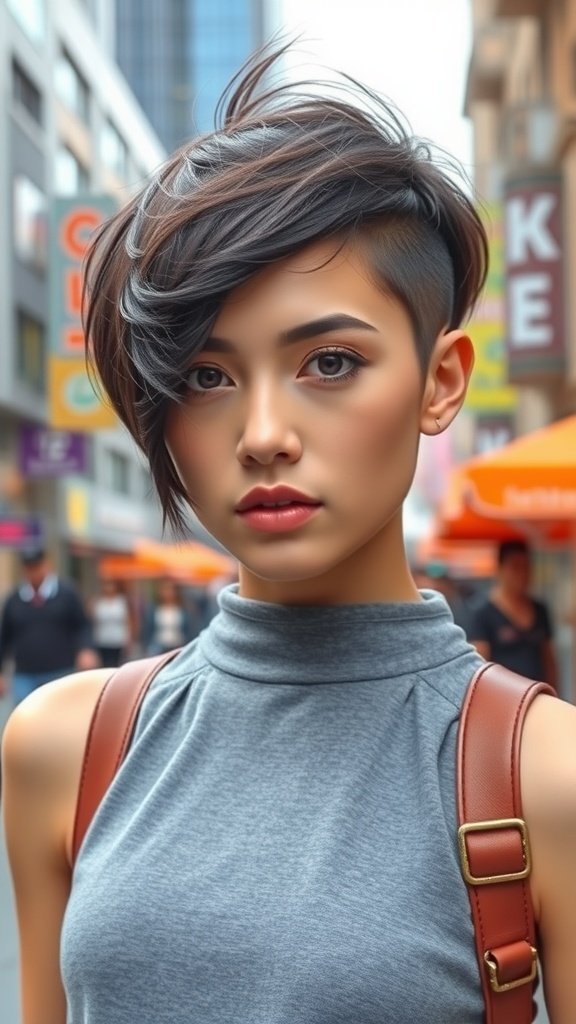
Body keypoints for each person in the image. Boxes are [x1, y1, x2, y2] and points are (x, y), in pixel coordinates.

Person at [2, 45, 576, 1024]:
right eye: (206, 377)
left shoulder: (540, 776)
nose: (264, 434)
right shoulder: (65, 746)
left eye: (331, 361)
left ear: (442, 382)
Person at [0, 547, 99, 705]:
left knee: (58, 718)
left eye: (37, 566)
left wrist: (86, 649)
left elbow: (82, 625)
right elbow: (4, 638)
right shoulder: (14, 600)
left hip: (60, 672)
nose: (33, 572)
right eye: (29, 567)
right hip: (24, 675)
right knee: (24, 722)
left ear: (46, 565)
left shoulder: (67, 594)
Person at [469, 539, 558, 690]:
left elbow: (548, 658)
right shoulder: (483, 612)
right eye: (515, 567)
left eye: (526, 567)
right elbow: (480, 665)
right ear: (500, 569)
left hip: (539, 695)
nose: (522, 574)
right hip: (504, 697)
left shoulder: (540, 609)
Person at [140, 578, 200, 655]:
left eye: (170, 590)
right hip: (158, 646)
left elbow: (188, 629)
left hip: (178, 645)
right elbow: (148, 629)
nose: (168, 593)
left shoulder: (182, 610)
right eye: (164, 589)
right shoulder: (154, 609)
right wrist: (146, 645)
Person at [90, 578, 132, 668]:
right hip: (102, 639)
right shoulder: (99, 602)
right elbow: (94, 621)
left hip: (118, 639)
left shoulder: (121, 602)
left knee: (116, 664)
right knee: (104, 664)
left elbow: (127, 621)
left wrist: (128, 639)